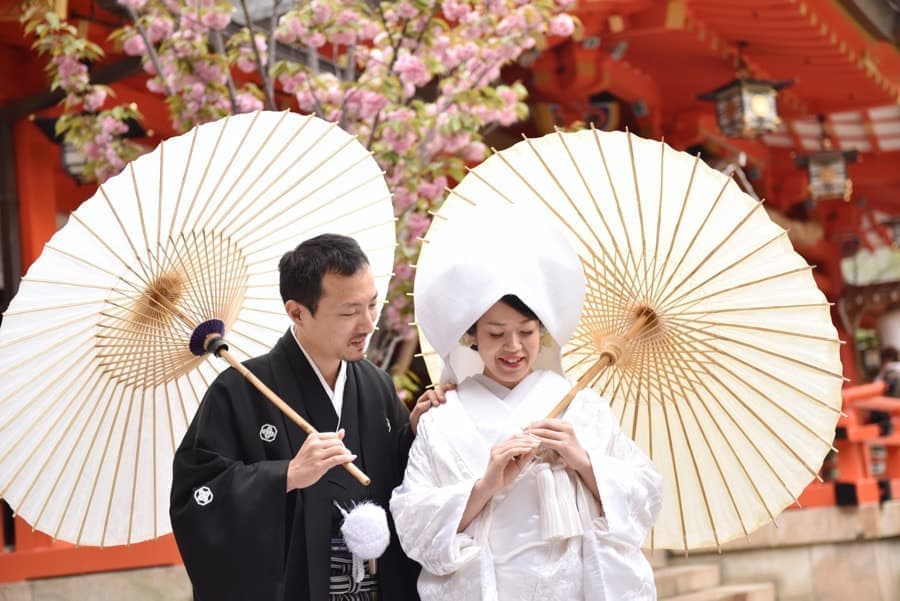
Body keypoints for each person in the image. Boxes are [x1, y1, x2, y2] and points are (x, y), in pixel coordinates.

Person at [390, 205, 663, 600]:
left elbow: (645, 492)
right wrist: (485, 485)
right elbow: (412, 520)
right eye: (497, 332)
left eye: (527, 331)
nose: (513, 347)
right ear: (473, 336)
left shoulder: (580, 408)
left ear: (544, 332)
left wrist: (583, 461)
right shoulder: (444, 419)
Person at [171, 233, 445, 601]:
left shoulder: (375, 384)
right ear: (297, 312)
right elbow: (198, 497)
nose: (367, 324)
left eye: (371, 305)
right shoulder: (237, 391)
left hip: (372, 586)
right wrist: (284, 475)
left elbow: (401, 476)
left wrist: (413, 431)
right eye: (349, 312)